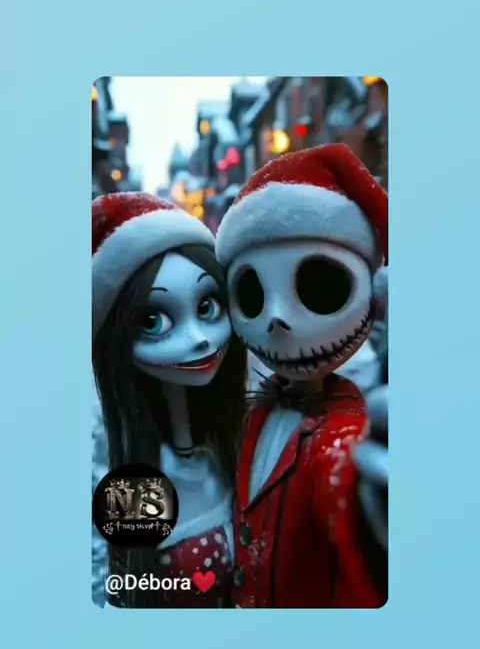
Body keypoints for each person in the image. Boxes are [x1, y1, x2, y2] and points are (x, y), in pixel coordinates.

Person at [215, 144, 388, 607]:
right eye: (252, 292)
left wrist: (370, 505)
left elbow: (342, 477)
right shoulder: (253, 410)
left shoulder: (346, 429)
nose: (276, 318)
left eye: (319, 286)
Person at [92, 193, 246, 608]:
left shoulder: (237, 446)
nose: (198, 339)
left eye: (208, 307)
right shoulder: (135, 486)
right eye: (153, 321)